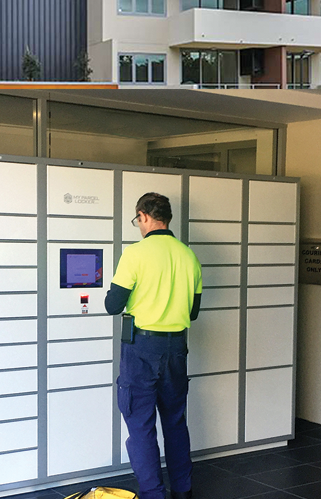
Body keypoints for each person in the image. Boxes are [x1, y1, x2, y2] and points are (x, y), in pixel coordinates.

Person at [105, 192, 202, 499]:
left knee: (141, 425)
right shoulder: (188, 255)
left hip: (141, 350)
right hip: (176, 349)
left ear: (144, 216)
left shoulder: (135, 254)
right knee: (174, 423)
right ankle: (183, 491)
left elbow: (112, 304)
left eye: (138, 220)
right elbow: (193, 311)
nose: (138, 225)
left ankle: (153, 494)